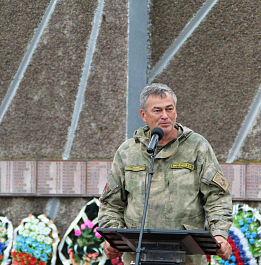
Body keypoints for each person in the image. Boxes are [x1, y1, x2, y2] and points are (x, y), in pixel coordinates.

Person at [98, 83, 233, 264]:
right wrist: (112, 237)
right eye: (157, 110)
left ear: (176, 112)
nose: (165, 116)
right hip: (139, 255)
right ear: (143, 115)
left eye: (169, 109)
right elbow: (111, 204)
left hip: (186, 256)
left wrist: (220, 234)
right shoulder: (128, 152)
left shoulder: (197, 147)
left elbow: (217, 197)